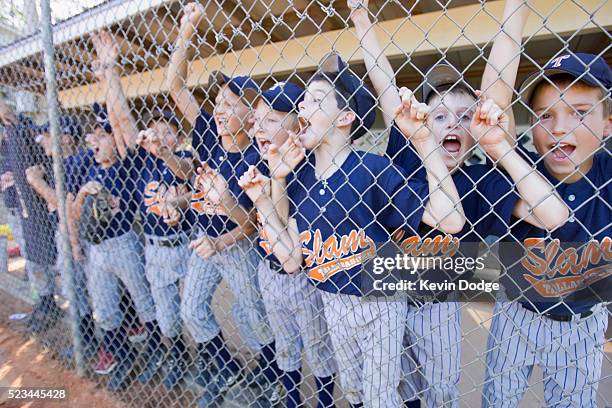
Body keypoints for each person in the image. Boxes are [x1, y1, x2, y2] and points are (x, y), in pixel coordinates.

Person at [349, 1, 568, 406]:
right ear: (422, 124)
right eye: (440, 116)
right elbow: (383, 83)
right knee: (391, 383)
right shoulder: (406, 152)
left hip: (439, 303)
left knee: (440, 388)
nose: (453, 123)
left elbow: (546, 213)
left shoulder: (479, 180)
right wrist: (362, 20)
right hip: (388, 292)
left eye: (465, 117)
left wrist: (514, 12)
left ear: (475, 132)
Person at [240, 51, 465, 407]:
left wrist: (424, 142)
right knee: (355, 390)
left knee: (380, 396)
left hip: (379, 301)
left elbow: (451, 220)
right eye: (303, 101)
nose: (302, 107)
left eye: (315, 100)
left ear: (345, 117)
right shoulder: (299, 175)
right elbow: (289, 258)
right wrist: (268, 194)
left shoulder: (372, 168)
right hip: (332, 300)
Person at [481, 51, 611, 408]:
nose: (558, 128)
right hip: (517, 313)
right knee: (498, 400)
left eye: (580, 113)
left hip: (582, 323)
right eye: (544, 115)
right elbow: (492, 101)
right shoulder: (521, 166)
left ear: (607, 124)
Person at [167, 3, 276, 406]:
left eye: (230, 105)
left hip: (238, 247)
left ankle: (269, 379)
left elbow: (252, 223)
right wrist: (187, 29)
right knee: (192, 310)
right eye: (218, 103)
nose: (218, 111)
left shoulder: (257, 157)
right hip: (203, 241)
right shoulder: (208, 138)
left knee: (254, 320)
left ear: (250, 118)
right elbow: (176, 87)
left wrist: (222, 233)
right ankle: (229, 369)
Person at [91, 30, 194, 390]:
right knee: (166, 314)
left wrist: (168, 156)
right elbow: (119, 119)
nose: (158, 136)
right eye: (153, 131)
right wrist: (111, 70)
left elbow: (187, 175)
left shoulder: (182, 159)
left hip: (186, 243)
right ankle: (177, 355)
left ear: (177, 139)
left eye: (167, 132)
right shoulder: (139, 163)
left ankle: (217, 359)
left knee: (196, 309)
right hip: (153, 246)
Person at [235, 81, 337, 407]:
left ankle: (324, 402)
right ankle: (291, 400)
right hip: (269, 269)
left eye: (273, 119)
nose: (260, 127)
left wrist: (278, 177)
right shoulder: (258, 160)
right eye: (258, 119)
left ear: (298, 124)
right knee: (286, 345)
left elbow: (283, 224)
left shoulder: (312, 169)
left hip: (305, 278)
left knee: (317, 347)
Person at [68, 102, 159, 392]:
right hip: (97, 249)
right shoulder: (87, 170)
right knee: (105, 308)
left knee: (143, 300)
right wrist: (83, 193)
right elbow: (74, 213)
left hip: (123, 243)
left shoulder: (125, 167)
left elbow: (124, 129)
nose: (95, 140)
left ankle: (160, 351)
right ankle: (123, 355)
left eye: (103, 135)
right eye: (93, 135)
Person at [25, 115, 98, 363]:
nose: (42, 139)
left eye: (47, 134)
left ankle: (88, 342)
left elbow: (65, 206)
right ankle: (86, 340)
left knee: (80, 289)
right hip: (72, 235)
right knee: (75, 288)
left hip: (80, 236)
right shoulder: (62, 163)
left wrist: (36, 182)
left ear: (65, 138)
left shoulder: (76, 161)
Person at [0, 98, 62, 335]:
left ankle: (50, 302)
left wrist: (11, 120)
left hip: (34, 211)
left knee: (42, 258)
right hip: (16, 210)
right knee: (30, 258)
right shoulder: (4, 148)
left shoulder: (21, 134)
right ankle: (45, 301)